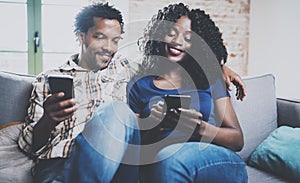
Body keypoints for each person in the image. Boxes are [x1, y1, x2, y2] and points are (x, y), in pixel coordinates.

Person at [0, 2, 244, 183]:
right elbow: (29, 145)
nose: (109, 47)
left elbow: (175, 59)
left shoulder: (126, 68)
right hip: (59, 164)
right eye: (100, 37)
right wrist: (48, 119)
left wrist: (216, 64)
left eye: (116, 40)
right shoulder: (48, 80)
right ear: (81, 36)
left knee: (116, 111)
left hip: (116, 165)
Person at [127, 3, 248, 183]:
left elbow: (237, 140)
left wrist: (200, 129)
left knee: (170, 159)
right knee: (163, 159)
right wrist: (156, 123)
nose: (178, 41)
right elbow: (136, 147)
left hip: (214, 157)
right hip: (161, 159)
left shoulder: (210, 78)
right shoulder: (140, 85)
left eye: (188, 37)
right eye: (172, 32)